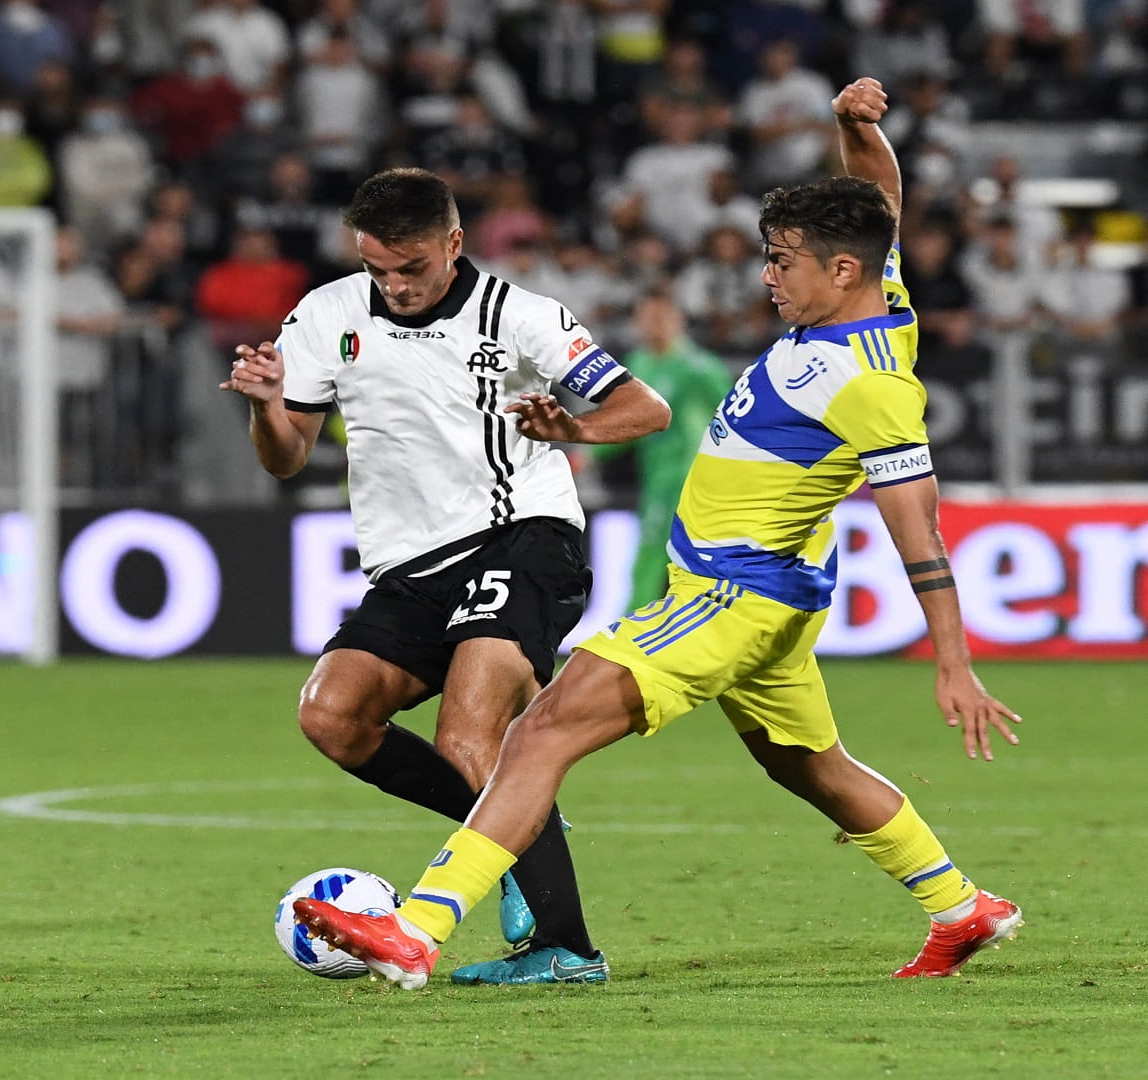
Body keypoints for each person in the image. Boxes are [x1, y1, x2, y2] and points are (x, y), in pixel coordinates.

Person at [293, 79, 1027, 989]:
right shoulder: (878, 300)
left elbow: (920, 531)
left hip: (733, 594)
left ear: (839, 272)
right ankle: (961, 906)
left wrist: (952, 660)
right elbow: (879, 205)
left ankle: (417, 926)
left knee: (539, 732)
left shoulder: (874, 383)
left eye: (783, 261)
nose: (768, 275)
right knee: (809, 765)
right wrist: (852, 129)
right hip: (775, 594)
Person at [222, 167, 671, 984]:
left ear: (454, 245)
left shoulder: (521, 316)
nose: (393, 285)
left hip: (521, 536)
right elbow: (286, 459)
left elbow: (647, 408)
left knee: (471, 735)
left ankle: (564, 948)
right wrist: (267, 404)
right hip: (409, 565)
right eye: (377, 269)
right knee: (332, 715)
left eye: (412, 268)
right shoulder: (326, 313)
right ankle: (512, 829)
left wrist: (573, 425)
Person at [593, 291, 737, 611]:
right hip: (656, 478)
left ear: (678, 321)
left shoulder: (699, 368)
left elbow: (734, 418)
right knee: (661, 559)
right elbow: (628, 425)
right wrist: (591, 452)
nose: (653, 326)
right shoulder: (638, 365)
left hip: (691, 480)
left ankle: (627, 638)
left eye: (661, 317)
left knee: (654, 558)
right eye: (646, 318)